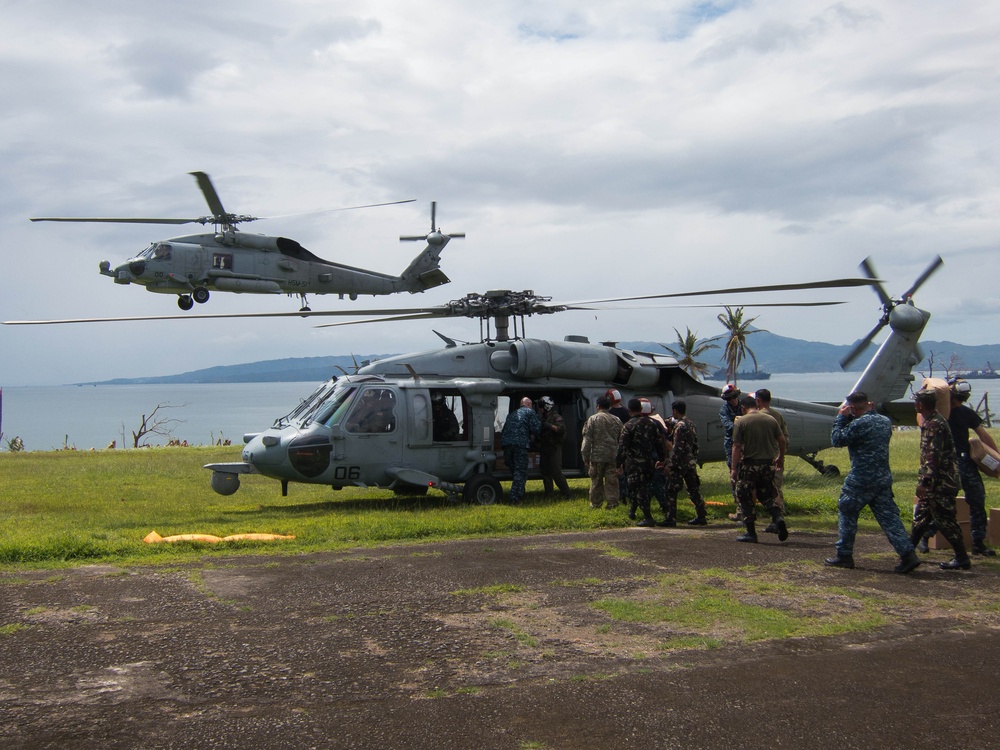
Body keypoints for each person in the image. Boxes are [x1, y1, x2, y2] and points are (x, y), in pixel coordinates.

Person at [824, 391, 921, 573]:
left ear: (852, 407)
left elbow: (837, 440)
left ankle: (844, 554)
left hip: (861, 477)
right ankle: (908, 554)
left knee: (847, 511)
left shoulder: (859, 424)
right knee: (889, 517)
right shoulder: (884, 422)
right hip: (882, 477)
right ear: (870, 404)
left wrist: (841, 419)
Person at [910, 388, 971, 570]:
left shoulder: (934, 424)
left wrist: (924, 482)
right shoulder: (934, 420)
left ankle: (961, 557)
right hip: (938, 481)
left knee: (945, 520)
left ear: (921, 404)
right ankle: (907, 552)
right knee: (921, 516)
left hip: (940, 483)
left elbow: (932, 455)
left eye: (916, 402)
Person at [947, 379, 998, 556]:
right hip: (945, 464)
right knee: (940, 503)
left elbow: (983, 435)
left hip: (963, 462)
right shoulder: (938, 414)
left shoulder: (964, 413)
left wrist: (997, 458)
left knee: (977, 500)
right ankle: (924, 538)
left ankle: (978, 543)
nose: (958, 401)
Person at [730, 394, 787, 543]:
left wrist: (734, 469)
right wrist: (780, 457)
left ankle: (751, 532)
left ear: (743, 408)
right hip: (768, 465)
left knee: (744, 495)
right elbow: (782, 440)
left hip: (750, 465)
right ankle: (778, 517)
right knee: (767, 494)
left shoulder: (741, 421)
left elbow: (736, 446)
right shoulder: (771, 419)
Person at [616, 398, 667, 528]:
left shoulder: (628, 426)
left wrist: (618, 464)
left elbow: (622, 447)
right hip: (649, 462)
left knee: (637, 488)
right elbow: (659, 443)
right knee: (641, 487)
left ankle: (648, 517)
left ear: (629, 410)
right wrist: (662, 459)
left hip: (634, 463)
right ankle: (632, 512)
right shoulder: (652, 424)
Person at [665, 400, 708, 526]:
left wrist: (670, 464)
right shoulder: (690, 424)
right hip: (690, 462)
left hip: (680, 463)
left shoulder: (679, 426)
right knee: (693, 489)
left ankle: (671, 518)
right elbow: (695, 444)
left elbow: (677, 447)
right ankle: (701, 515)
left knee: (671, 490)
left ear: (674, 411)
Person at [580, 396, 623, 509]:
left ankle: (595, 504)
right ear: (609, 406)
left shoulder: (593, 419)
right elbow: (621, 439)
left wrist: (585, 457)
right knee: (612, 481)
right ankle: (612, 503)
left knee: (596, 481)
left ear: (598, 406)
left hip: (597, 457)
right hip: (612, 456)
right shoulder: (616, 420)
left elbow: (587, 439)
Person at [754, 388, 788, 533]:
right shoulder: (778, 415)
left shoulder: (756, 417)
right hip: (776, 457)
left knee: (759, 489)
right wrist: (781, 456)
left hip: (761, 459)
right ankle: (778, 517)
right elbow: (785, 437)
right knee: (776, 488)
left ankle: (773, 518)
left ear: (758, 400)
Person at [501, 397, 542, 504]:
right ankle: (514, 498)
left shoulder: (511, 414)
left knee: (515, 470)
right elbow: (537, 429)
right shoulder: (530, 412)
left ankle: (520, 492)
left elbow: (504, 429)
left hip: (506, 445)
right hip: (520, 445)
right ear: (529, 404)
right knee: (521, 471)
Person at [537, 396, 572, 499]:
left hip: (554, 448)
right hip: (545, 448)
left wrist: (548, 426)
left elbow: (561, 429)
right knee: (545, 472)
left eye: (540, 406)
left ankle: (567, 494)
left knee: (556, 473)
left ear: (546, 407)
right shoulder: (543, 418)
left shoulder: (556, 417)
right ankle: (549, 494)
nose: (539, 409)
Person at [719, 384, 743, 521]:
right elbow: (728, 426)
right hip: (732, 444)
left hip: (747, 444)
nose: (733, 400)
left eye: (734, 397)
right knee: (735, 475)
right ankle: (739, 505)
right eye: (730, 398)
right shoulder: (724, 410)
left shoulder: (744, 406)